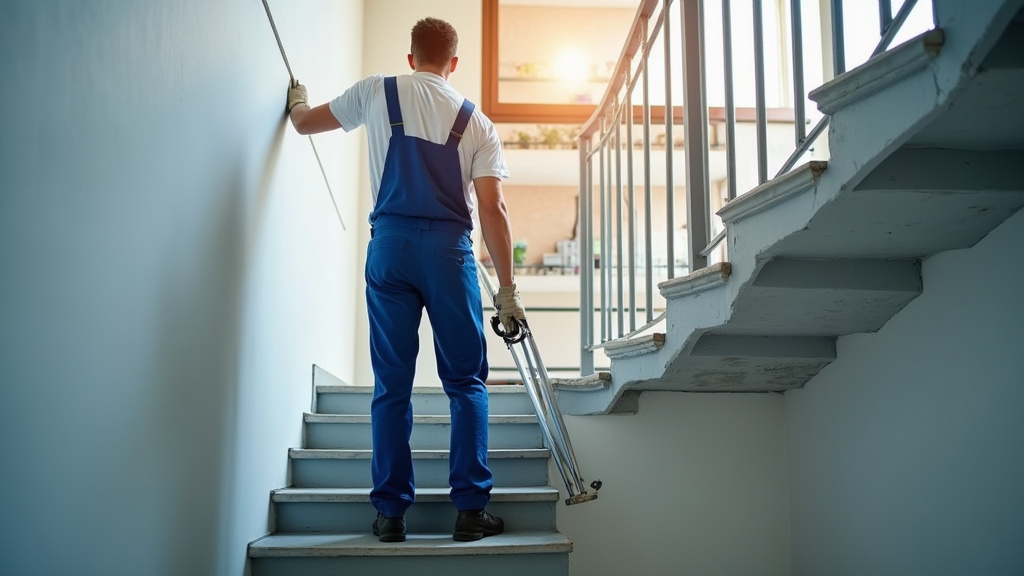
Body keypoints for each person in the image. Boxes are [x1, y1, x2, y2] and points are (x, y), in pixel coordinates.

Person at [285, 17, 526, 543]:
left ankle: (391, 514)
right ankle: (470, 510)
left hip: (390, 248)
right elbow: (493, 208)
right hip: (449, 255)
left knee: (392, 384)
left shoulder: (376, 91)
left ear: (411, 56)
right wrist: (506, 292)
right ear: (454, 63)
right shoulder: (477, 122)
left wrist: (297, 102)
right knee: (466, 382)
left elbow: (304, 125)